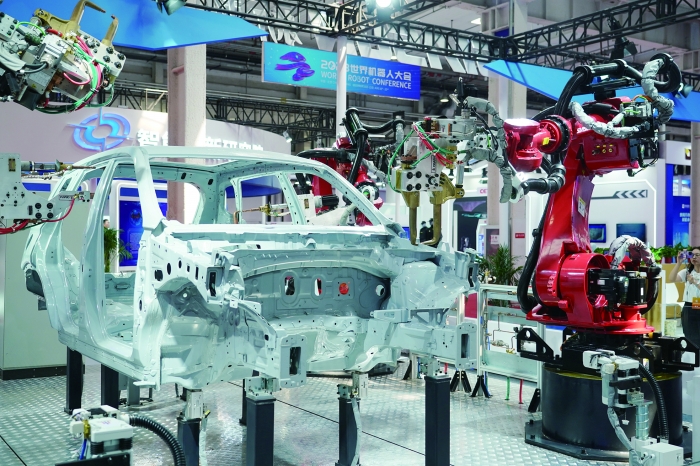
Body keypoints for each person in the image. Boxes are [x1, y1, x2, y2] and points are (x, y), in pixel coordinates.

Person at [669, 247, 700, 347]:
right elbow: (671, 278)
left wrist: (694, 282)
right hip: (688, 307)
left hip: (699, 305)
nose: (694, 257)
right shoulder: (687, 271)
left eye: (697, 255)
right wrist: (678, 263)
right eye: (692, 255)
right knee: (689, 336)